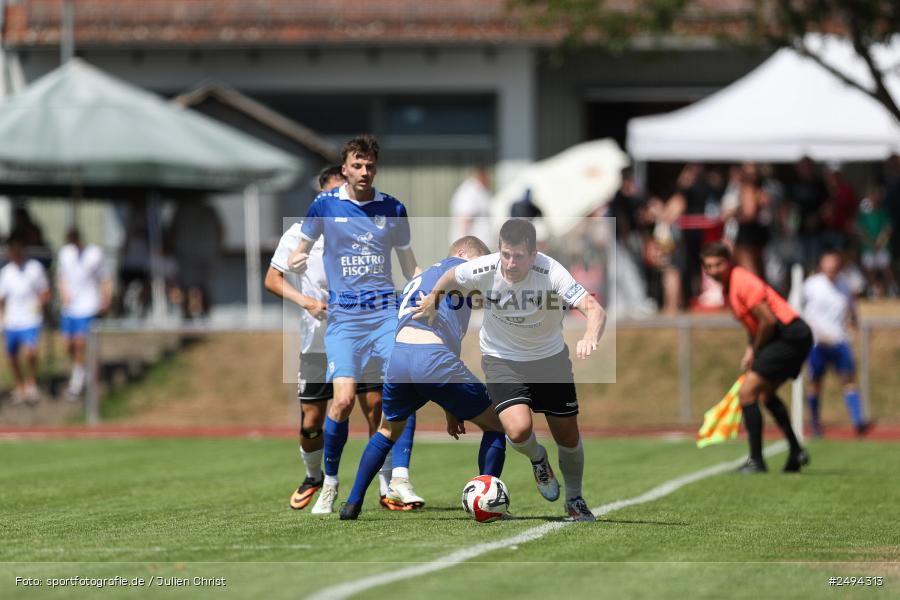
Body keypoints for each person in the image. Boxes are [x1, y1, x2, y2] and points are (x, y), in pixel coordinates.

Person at [412, 219, 606, 521]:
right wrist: (432, 301)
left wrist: (590, 336)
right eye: (505, 254)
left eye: (518, 256)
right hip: (502, 358)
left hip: (549, 360)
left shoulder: (551, 271)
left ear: (533, 254)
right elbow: (451, 274)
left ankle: (575, 499)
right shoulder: (486, 266)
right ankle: (538, 458)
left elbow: (594, 309)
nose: (510, 263)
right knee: (517, 430)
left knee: (567, 436)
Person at [287, 135, 423, 514]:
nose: (364, 172)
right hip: (344, 320)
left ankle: (400, 477)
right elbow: (301, 250)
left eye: (370, 166)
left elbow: (409, 265)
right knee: (343, 401)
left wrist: (426, 289)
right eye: (357, 165)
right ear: (344, 168)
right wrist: (298, 259)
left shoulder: (393, 208)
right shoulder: (324, 206)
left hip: (383, 316)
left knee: (401, 392)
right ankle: (329, 483)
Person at [339, 236, 507, 520]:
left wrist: (451, 407)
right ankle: (486, 507)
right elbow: (440, 355)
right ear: (463, 253)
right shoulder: (460, 270)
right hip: (433, 357)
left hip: (400, 358)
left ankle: (352, 504)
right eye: (478, 262)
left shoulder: (420, 279)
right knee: (497, 425)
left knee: (386, 431)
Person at [700, 242, 810, 473]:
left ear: (728, 263)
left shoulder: (741, 281)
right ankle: (796, 451)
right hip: (787, 336)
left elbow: (768, 320)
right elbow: (755, 326)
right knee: (765, 395)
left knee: (747, 393)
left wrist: (757, 349)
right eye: (709, 266)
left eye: (719, 264)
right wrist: (751, 350)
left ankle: (756, 460)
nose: (714, 270)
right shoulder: (727, 289)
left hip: (788, 334)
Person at [802, 250, 871, 437]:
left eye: (835, 268)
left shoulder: (845, 285)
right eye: (828, 267)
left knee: (849, 381)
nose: (832, 271)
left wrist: (853, 325)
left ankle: (858, 422)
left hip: (839, 340)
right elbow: (798, 309)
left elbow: (852, 309)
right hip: (817, 343)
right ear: (821, 267)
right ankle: (815, 423)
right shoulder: (811, 285)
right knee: (815, 382)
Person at [57, 229, 112, 398]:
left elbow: (105, 278)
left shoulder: (94, 254)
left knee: (81, 342)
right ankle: (82, 368)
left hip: (88, 305)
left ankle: (77, 380)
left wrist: (106, 297)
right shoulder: (65, 254)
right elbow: (61, 277)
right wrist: (64, 294)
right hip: (70, 308)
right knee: (69, 344)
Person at [0, 235, 50, 404]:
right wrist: (2, 318)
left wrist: (40, 305)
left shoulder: (34, 268)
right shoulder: (6, 272)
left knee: (30, 352)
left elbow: (45, 292)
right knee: (12, 357)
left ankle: (32, 383)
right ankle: (20, 386)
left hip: (30, 319)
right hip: (12, 321)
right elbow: (2, 298)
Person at [450, 166, 492, 245]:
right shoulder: (470, 192)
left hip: (479, 246)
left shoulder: (481, 190)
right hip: (471, 248)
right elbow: (465, 218)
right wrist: (464, 245)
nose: (489, 179)